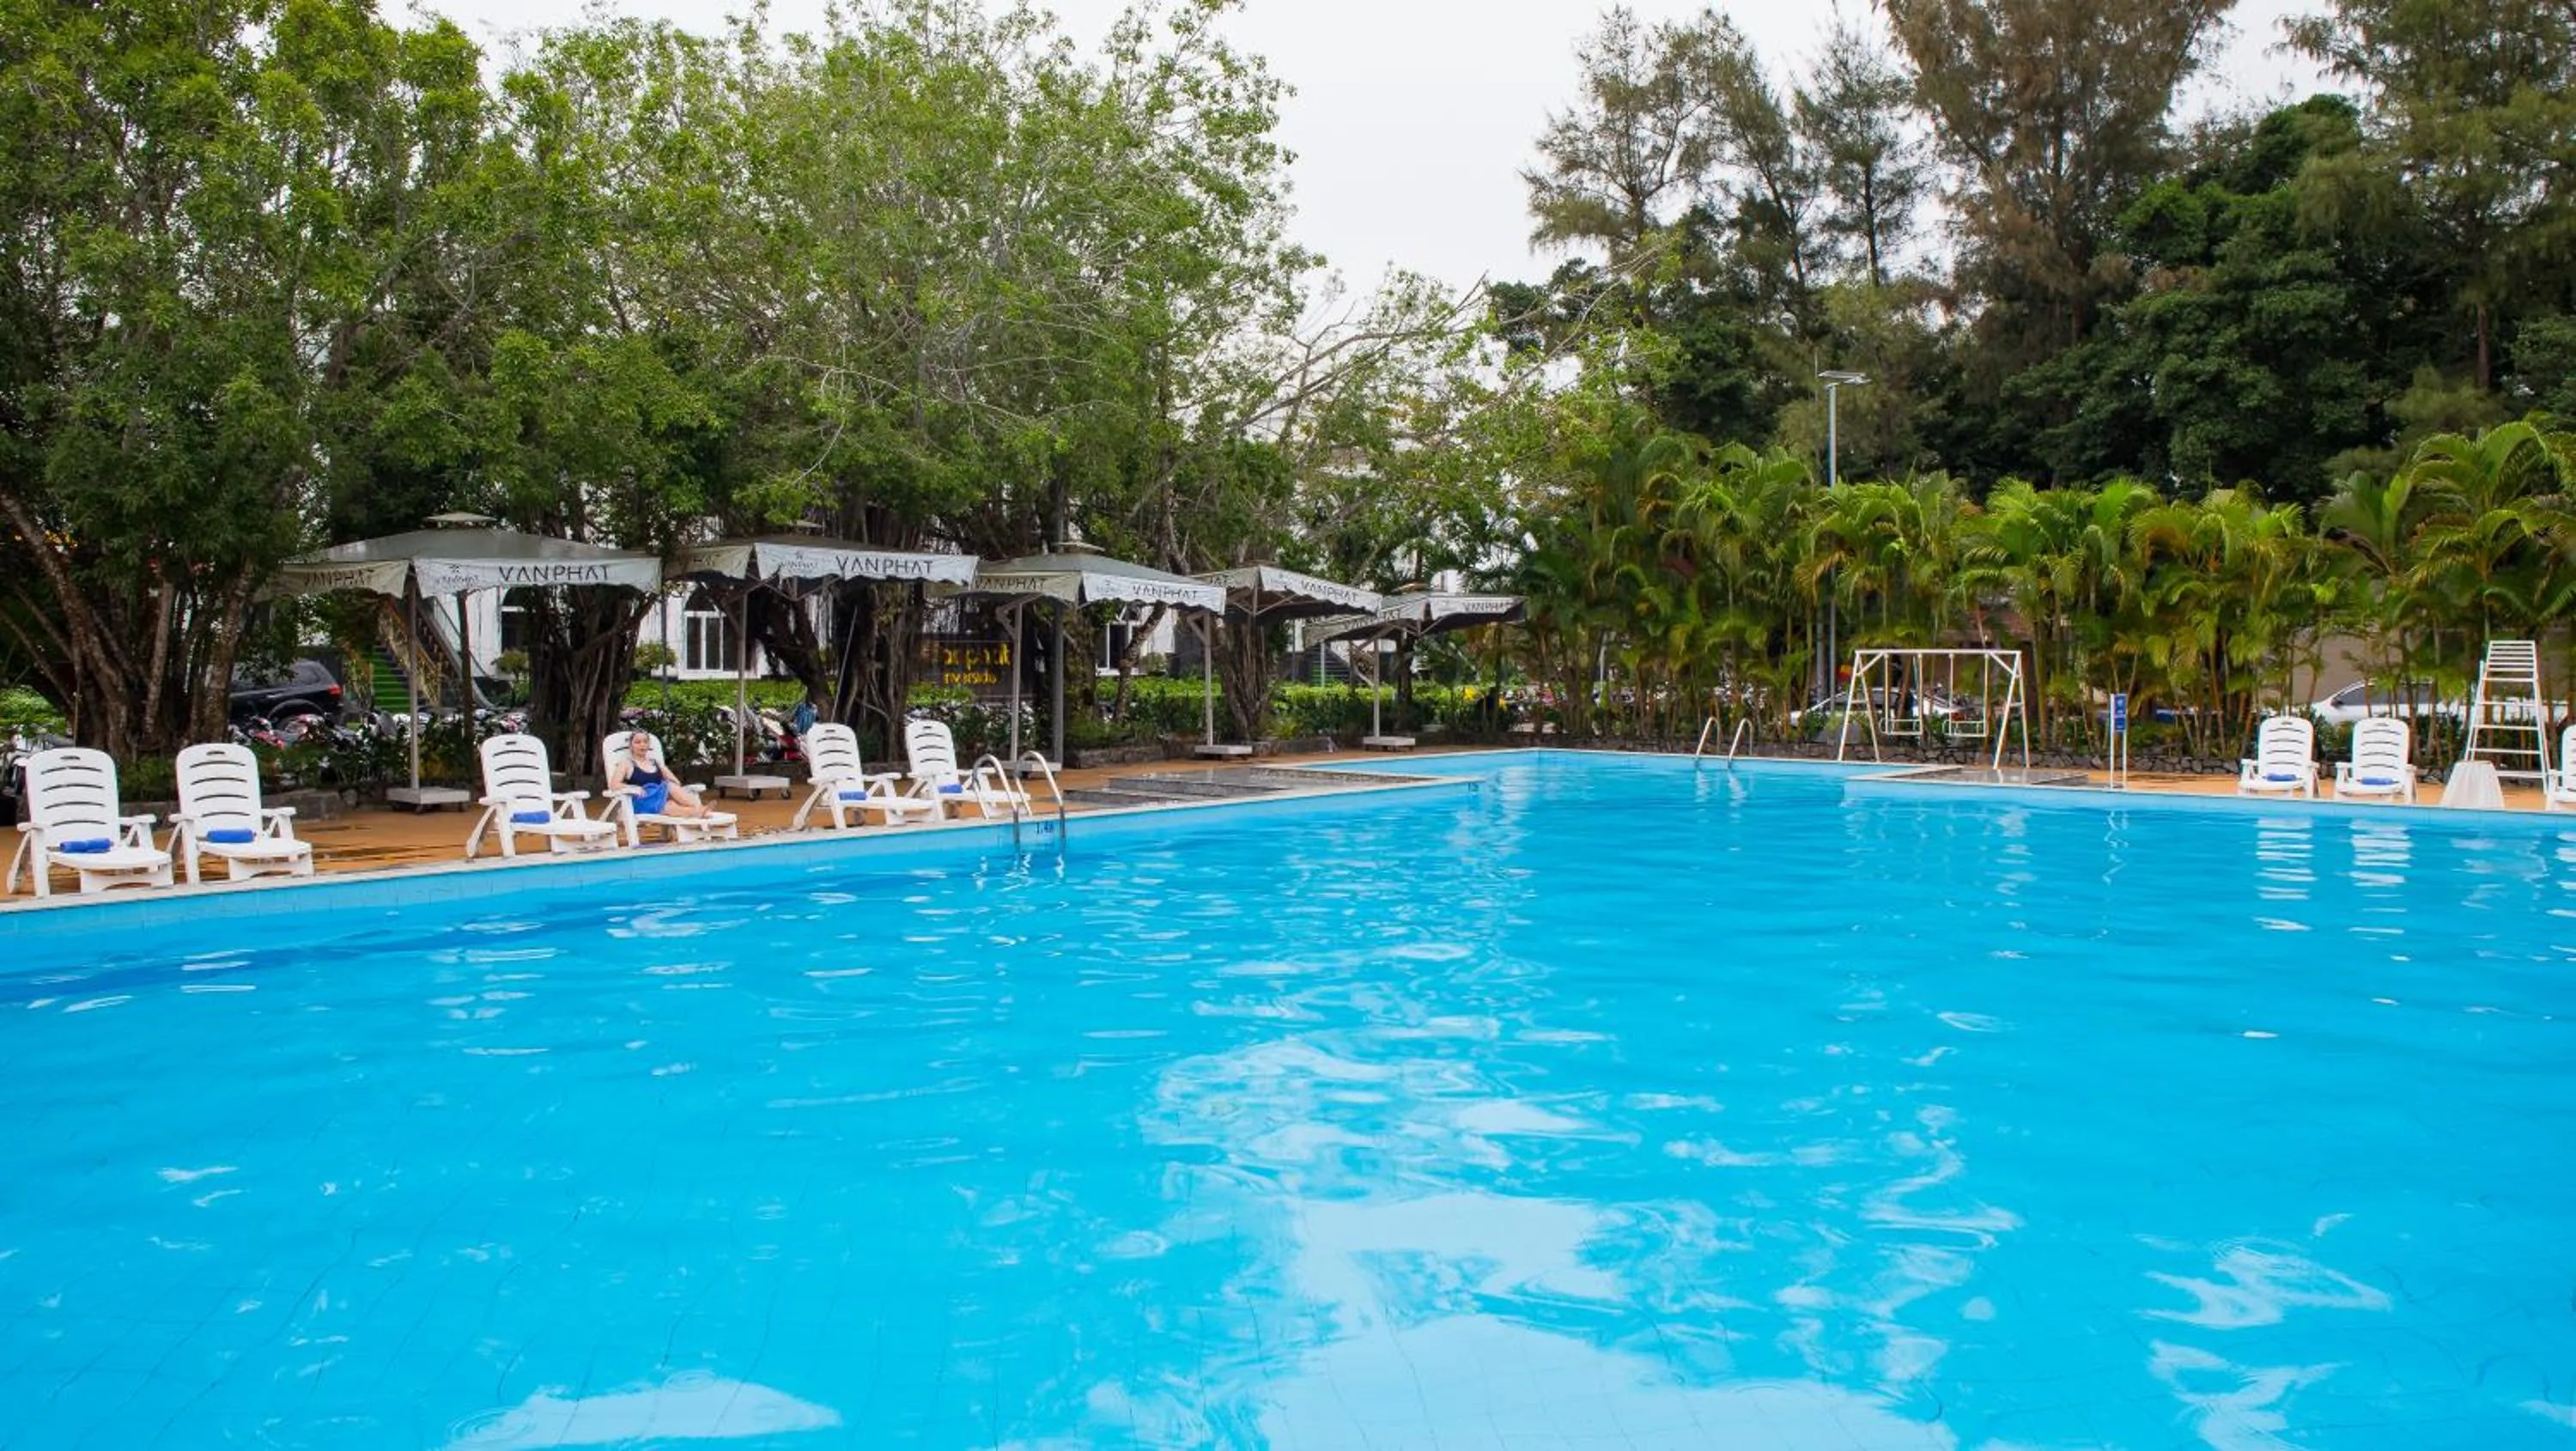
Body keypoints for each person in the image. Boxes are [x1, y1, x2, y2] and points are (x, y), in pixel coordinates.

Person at [606, 731, 716, 819]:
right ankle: (700, 811)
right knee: (667, 805)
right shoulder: (626, 764)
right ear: (631, 746)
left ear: (649, 745)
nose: (642, 745)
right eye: (637, 742)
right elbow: (614, 785)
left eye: (645, 742)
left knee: (670, 793)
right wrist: (634, 787)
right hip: (642, 800)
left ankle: (698, 811)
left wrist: (665, 775)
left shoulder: (656, 763)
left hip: (659, 798)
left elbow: (676, 782)